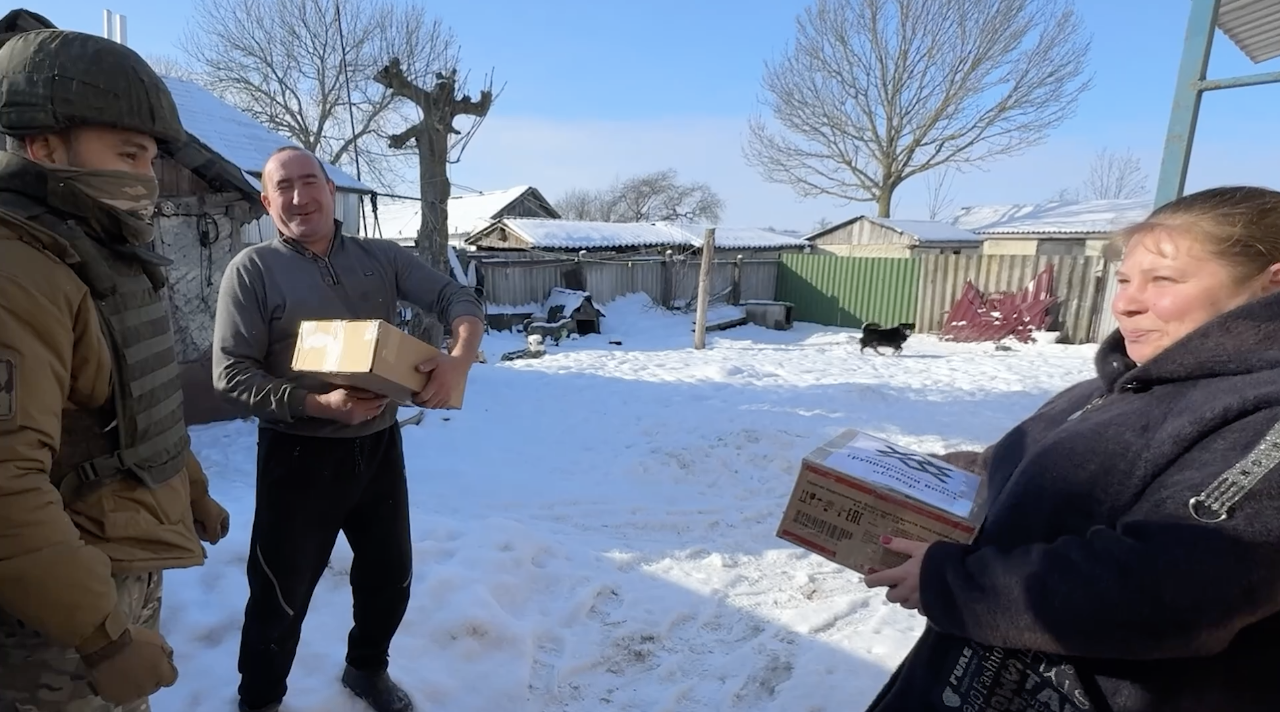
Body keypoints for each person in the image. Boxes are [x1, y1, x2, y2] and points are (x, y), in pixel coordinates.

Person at [861, 185, 1280, 712]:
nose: (1125, 302)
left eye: (1163, 280)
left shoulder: (1265, 414)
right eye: (1124, 279)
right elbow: (1008, 468)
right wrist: (904, 476)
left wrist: (954, 584)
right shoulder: (1111, 388)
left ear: (1270, 285)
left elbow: (1176, 587)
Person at [0, 18, 230, 712]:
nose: (148, 178)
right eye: (128, 155)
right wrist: (101, 637)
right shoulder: (19, 272)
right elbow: (7, 487)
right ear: (44, 146)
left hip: (109, 575)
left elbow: (140, 400)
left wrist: (189, 487)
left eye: (151, 159)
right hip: (47, 624)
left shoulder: (100, 252)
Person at [213, 146, 484, 712]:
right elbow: (231, 373)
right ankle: (259, 700)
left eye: (309, 181)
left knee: (390, 576)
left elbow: (455, 297)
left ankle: (367, 669)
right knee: (280, 592)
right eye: (283, 187)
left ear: (331, 190)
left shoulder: (380, 257)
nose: (298, 197)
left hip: (378, 447)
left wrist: (459, 358)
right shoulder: (254, 270)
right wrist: (319, 404)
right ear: (266, 202)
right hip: (297, 456)